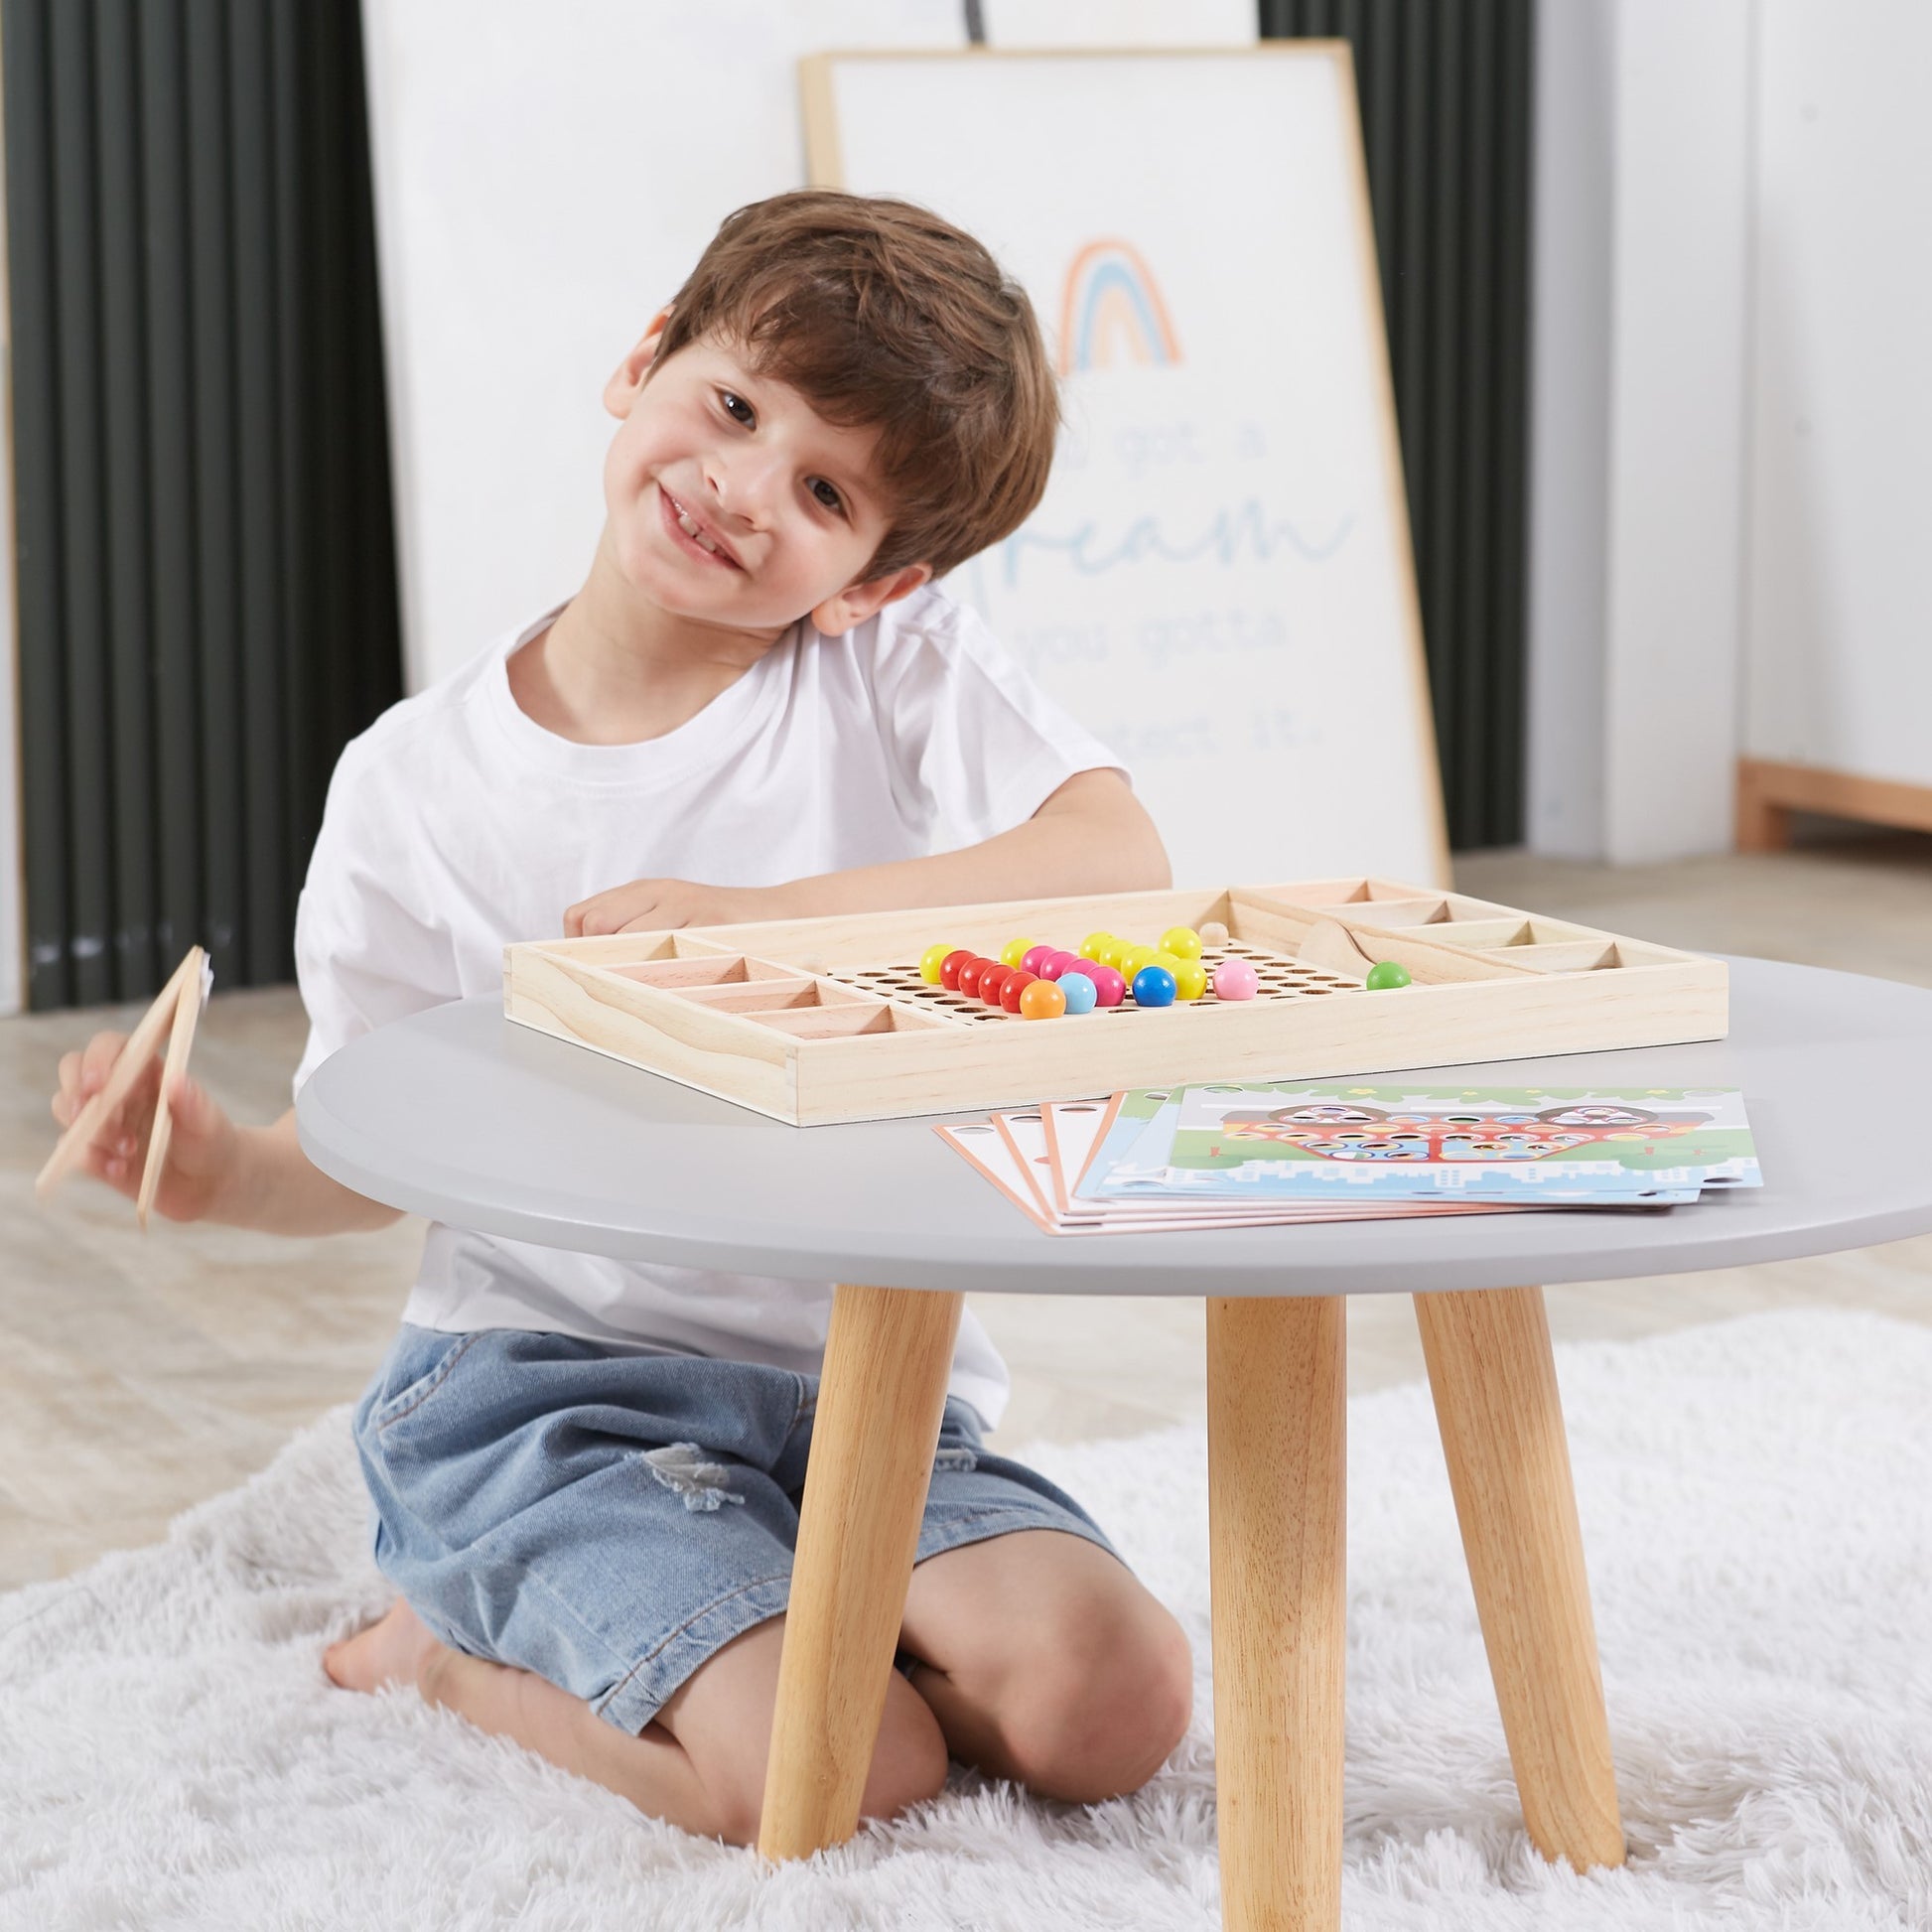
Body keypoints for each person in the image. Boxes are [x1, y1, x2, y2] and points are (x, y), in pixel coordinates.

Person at [49, 191, 1192, 1847]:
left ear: (879, 578)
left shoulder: (888, 673)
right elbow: (379, 1150)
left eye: (823, 489)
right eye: (731, 407)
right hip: (543, 1393)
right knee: (846, 1768)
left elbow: (1116, 862)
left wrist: (749, 931)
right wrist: (222, 1174)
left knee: (1114, 1701)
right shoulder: (414, 785)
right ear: (643, 362)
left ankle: (747, 1615)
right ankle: (448, 1661)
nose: (740, 486)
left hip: (870, 1386)